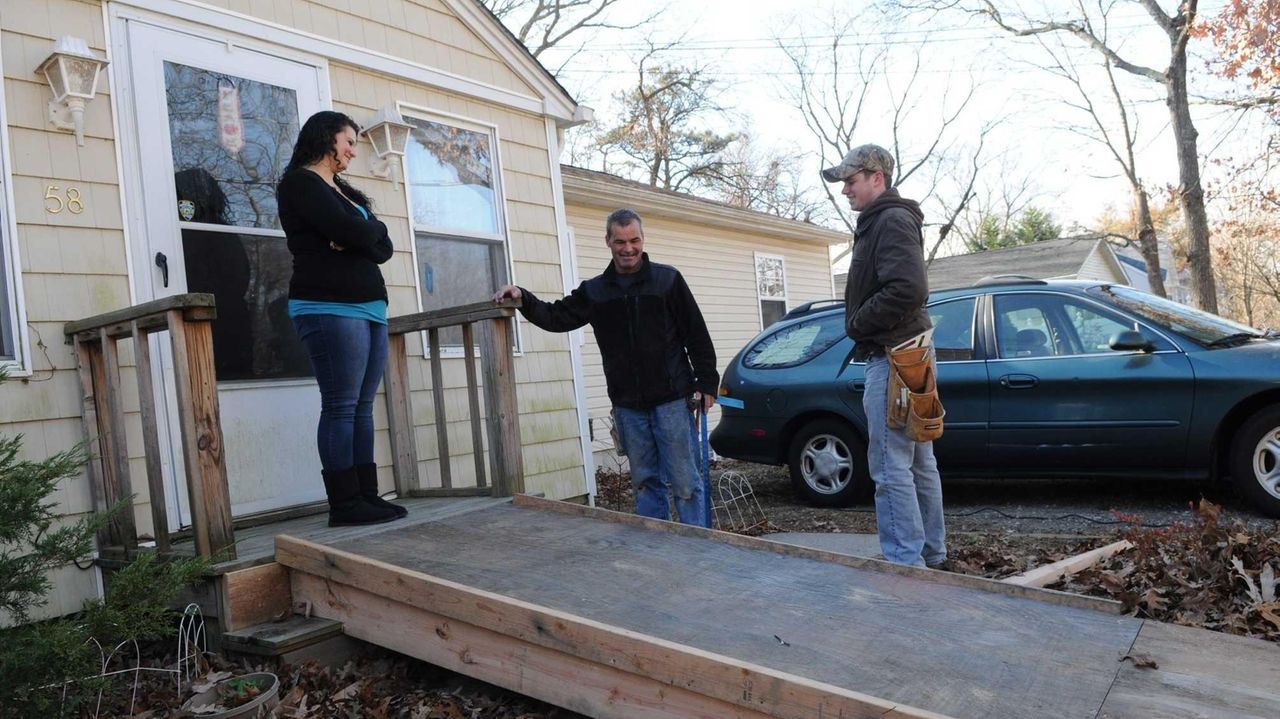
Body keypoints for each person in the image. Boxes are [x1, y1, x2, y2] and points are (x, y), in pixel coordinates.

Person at [492, 209, 718, 526]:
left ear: (643, 239)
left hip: (671, 400)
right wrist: (523, 298)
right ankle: (655, 550)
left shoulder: (667, 281)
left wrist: (707, 383)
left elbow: (696, 333)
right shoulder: (596, 292)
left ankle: (698, 549)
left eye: (634, 240)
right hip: (628, 407)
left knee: (685, 484)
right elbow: (557, 317)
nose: (628, 248)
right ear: (608, 242)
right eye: (620, 241)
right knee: (645, 484)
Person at [277, 110, 406, 526]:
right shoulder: (300, 183)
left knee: (364, 405)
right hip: (327, 305)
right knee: (341, 404)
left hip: (370, 305)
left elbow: (381, 245)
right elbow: (360, 235)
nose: (353, 149)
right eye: (348, 141)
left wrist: (354, 236)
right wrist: (358, 235)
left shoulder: (343, 191)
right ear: (326, 139)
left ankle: (367, 495)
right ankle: (345, 504)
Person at [822, 144, 946, 568]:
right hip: (909, 354)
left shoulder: (889, 220)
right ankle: (930, 554)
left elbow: (909, 289)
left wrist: (857, 323)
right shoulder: (884, 220)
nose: (845, 191)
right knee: (917, 461)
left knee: (891, 466)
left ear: (878, 178)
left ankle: (905, 564)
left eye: (851, 182)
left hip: (893, 357)